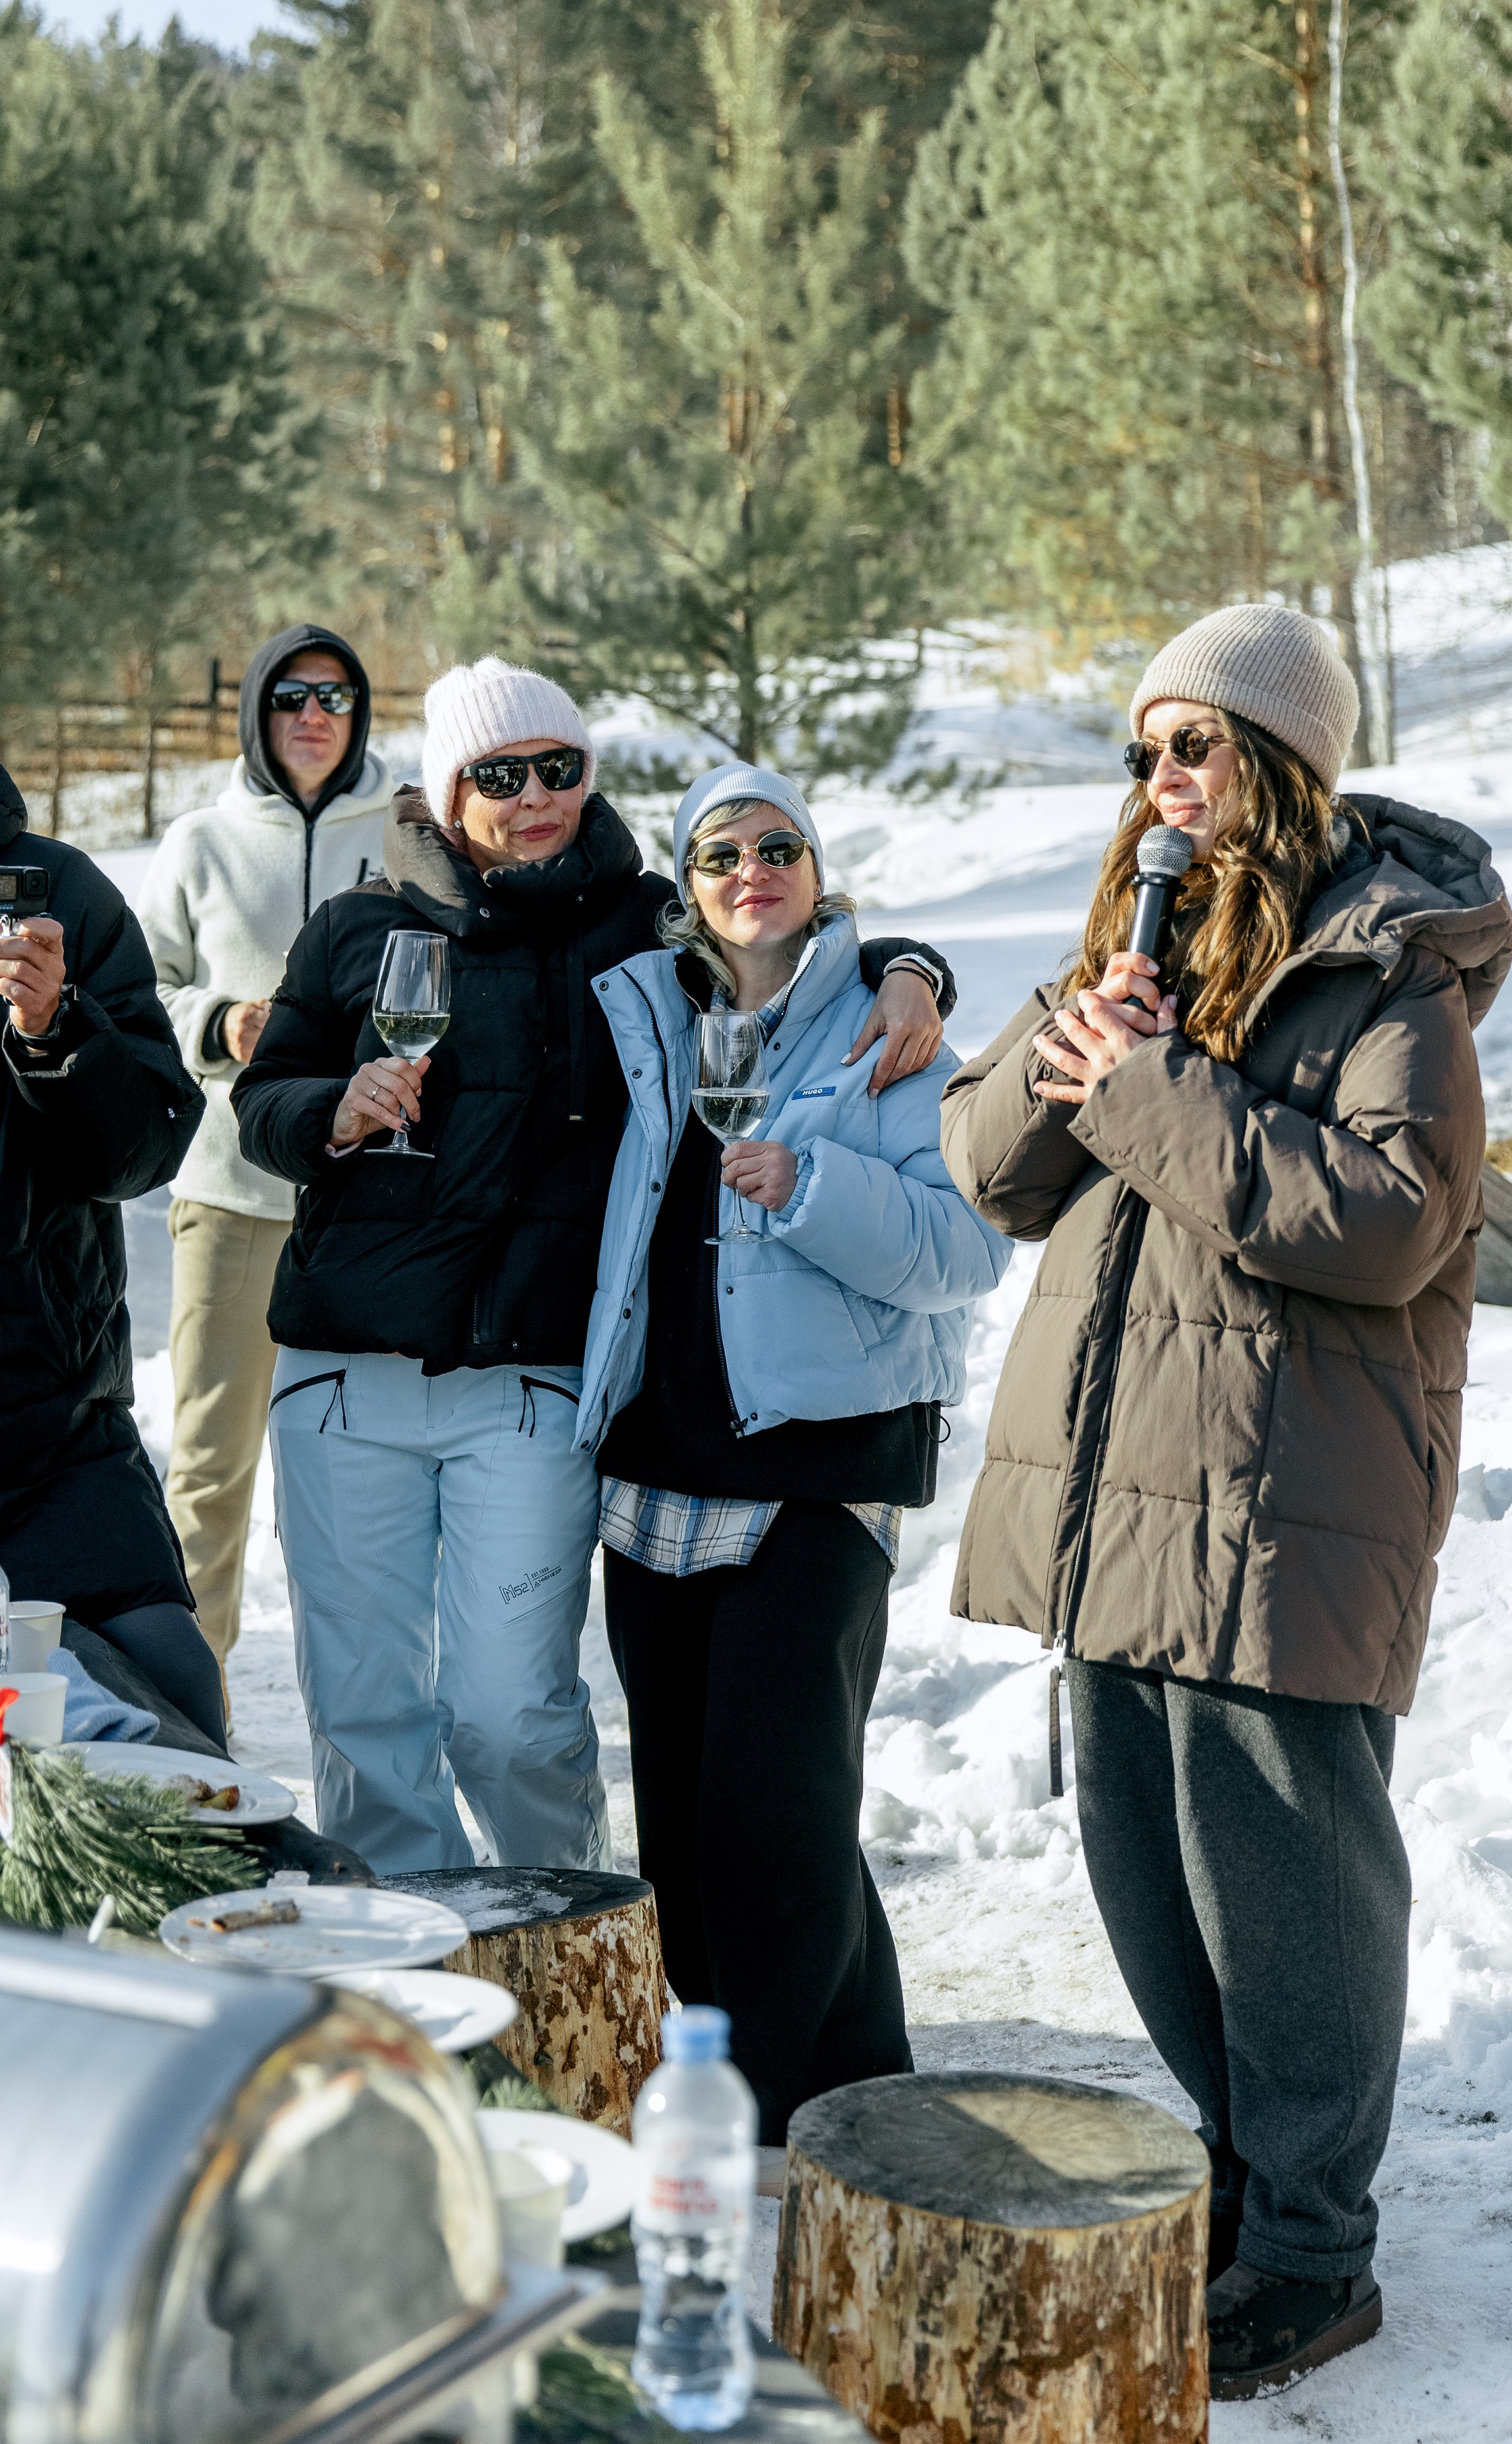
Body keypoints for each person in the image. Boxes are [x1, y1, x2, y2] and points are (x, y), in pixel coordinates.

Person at [941, 605, 1512, 2399]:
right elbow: (992, 1173)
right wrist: (1079, 1024)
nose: (1159, 785)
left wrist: (1156, 1088)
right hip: (1126, 1491)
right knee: (1149, 1866)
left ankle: (1314, 2252)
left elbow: (1388, 1221)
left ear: (1278, 758)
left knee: (1292, 1885)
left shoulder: (1389, 971)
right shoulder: (1150, 940)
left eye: (1190, 747)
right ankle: (1244, 2176)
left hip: (1287, 1498)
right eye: (1140, 754)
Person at [232, 658, 955, 1877]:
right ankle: (412, 2003)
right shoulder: (360, 926)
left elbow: (780, 927)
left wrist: (910, 967)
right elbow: (264, 1098)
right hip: (345, 1377)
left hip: (535, 1381)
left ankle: (572, 1973)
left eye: (560, 768)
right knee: (367, 1720)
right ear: (449, 791)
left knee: (512, 1718)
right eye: (501, 775)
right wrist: (332, 1109)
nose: (536, 797)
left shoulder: (643, 924)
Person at [576, 762, 1011, 2142]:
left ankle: (753, 2110)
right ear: (687, 895)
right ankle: (847, 2067)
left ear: (818, 873)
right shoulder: (647, 1016)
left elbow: (966, 1250)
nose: (751, 868)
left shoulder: (893, 1040)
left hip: (814, 1470)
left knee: (773, 1810)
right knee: (690, 1811)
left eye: (779, 846)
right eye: (718, 856)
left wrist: (811, 1187)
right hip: (658, 1469)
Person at [140, 625, 391, 1706]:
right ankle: (197, 1721)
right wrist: (218, 1018)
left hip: (377, 1201)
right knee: (208, 1472)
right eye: (291, 695)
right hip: (231, 1197)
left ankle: (383, 1726)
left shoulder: (410, 828)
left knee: (370, 1481)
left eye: (335, 696)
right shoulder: (198, 841)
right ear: (257, 710)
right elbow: (135, 992)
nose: (313, 714)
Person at [0, 759, 222, 1739]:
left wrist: (56, 1033)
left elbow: (146, 1148)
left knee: (173, 1688)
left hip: (48, 1418)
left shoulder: (55, 892)